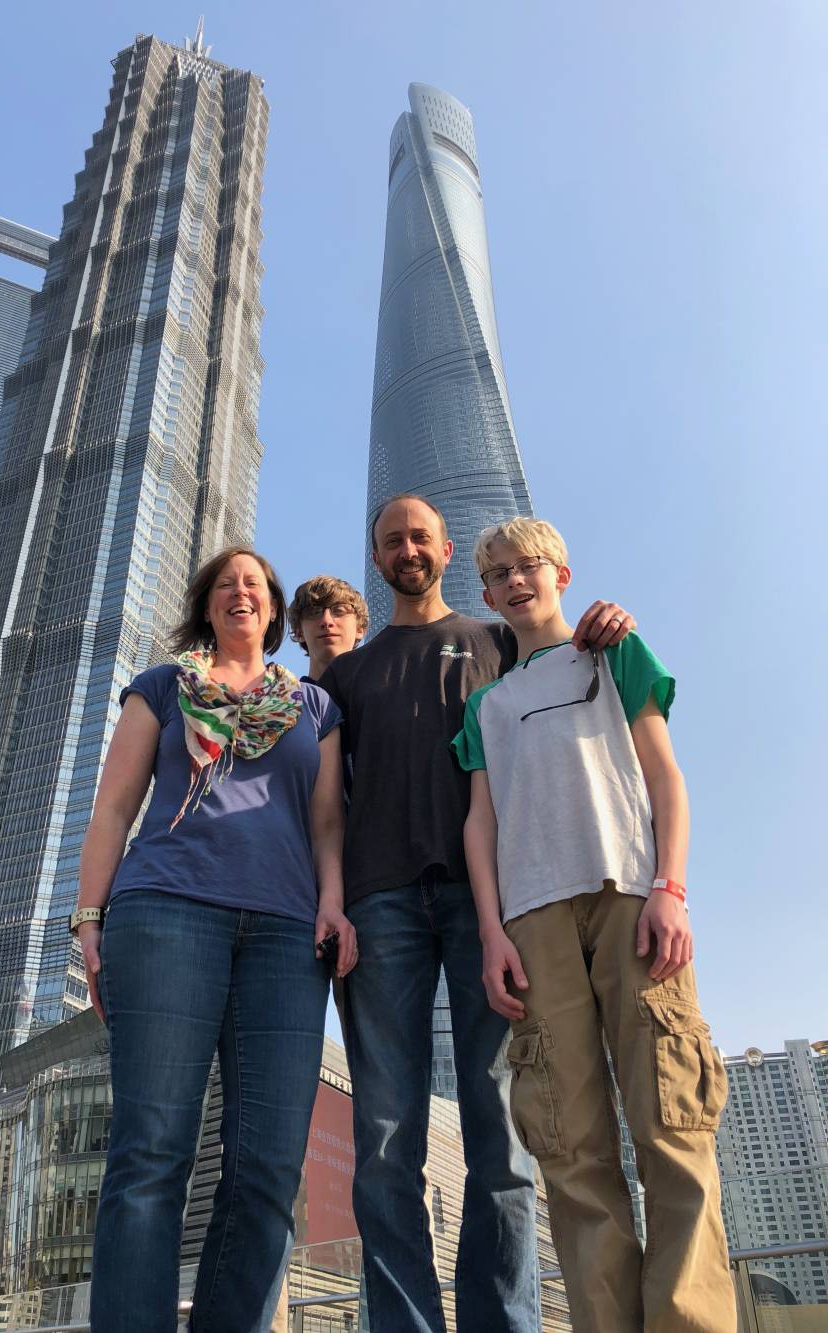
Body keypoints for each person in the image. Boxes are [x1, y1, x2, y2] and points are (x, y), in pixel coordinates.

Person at [318, 494, 636, 1333]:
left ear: (446, 549)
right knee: (385, 1140)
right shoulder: (347, 674)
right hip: (377, 903)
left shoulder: (496, 639)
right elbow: (319, 801)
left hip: (489, 903)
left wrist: (605, 621)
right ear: (378, 559)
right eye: (392, 541)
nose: (407, 549)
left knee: (502, 1134)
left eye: (420, 536)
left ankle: (507, 1322)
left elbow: (571, 665)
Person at [453, 517, 734, 1333]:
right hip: (532, 919)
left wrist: (671, 887)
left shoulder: (614, 654)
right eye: (498, 573)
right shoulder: (486, 704)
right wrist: (491, 933)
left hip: (631, 898)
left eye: (528, 565)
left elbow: (665, 776)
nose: (514, 581)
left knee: (672, 1128)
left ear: (561, 572)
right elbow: (481, 824)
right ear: (487, 594)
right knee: (571, 1153)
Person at [76, 546, 357, 1333]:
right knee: (152, 1155)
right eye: (225, 584)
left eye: (255, 585)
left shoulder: (312, 707)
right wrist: (88, 919)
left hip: (284, 934)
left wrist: (332, 903)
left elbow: (327, 822)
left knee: (268, 1165)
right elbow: (113, 808)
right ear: (208, 605)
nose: (241, 593)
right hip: (165, 912)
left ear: (272, 610)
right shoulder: (163, 687)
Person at [288, 573, 369, 682]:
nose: (326, 621)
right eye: (314, 612)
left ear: (359, 629)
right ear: (299, 632)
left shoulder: (383, 697)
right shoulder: (285, 698)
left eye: (339, 611)